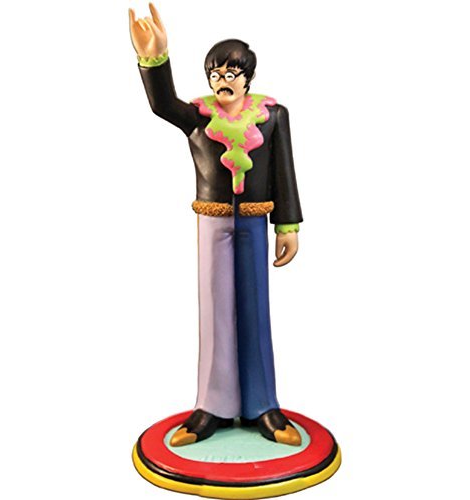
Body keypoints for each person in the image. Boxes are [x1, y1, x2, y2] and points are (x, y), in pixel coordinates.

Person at [129, 3, 303, 447]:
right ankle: (213, 404)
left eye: (231, 73)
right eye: (215, 73)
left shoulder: (273, 115)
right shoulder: (198, 117)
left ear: (248, 77)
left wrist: (287, 225)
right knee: (214, 308)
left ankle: (263, 405)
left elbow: (283, 170)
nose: (222, 80)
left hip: (255, 220)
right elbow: (161, 104)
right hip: (211, 221)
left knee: (254, 308)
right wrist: (154, 57)